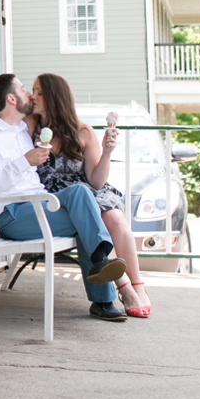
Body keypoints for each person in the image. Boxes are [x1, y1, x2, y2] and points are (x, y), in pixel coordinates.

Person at [0, 73, 128, 322]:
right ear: (11, 99)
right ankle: (103, 296)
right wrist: (24, 162)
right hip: (12, 214)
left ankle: (100, 266)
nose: (30, 95)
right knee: (85, 217)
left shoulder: (21, 129)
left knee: (82, 195)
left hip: (38, 205)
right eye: (24, 90)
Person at [29, 74, 151, 318]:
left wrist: (106, 152)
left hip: (88, 189)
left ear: (55, 98)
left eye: (39, 92)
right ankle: (123, 285)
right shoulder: (31, 124)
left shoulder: (83, 131)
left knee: (115, 219)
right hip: (58, 197)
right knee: (90, 213)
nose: (33, 96)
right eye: (32, 90)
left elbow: (96, 181)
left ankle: (137, 286)